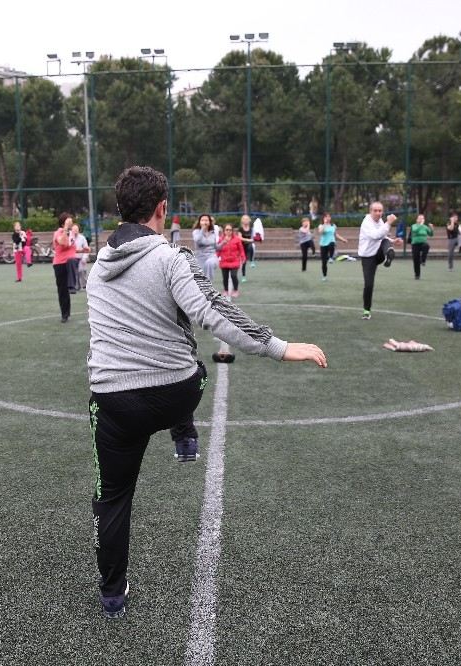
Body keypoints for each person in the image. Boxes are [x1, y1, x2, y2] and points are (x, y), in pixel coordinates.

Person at [86, 165, 327, 619]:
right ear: (162, 209)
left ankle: (112, 593)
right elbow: (212, 311)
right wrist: (280, 347)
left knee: (112, 495)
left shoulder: (96, 268)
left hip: (113, 401)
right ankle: (185, 435)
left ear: (120, 212)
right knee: (195, 366)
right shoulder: (172, 258)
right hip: (174, 393)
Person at [357, 202, 400, 320]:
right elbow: (376, 235)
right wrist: (389, 223)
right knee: (369, 284)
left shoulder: (380, 221)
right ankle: (366, 310)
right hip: (368, 257)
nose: (378, 213)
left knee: (386, 242)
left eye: (380, 211)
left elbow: (383, 236)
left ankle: (388, 255)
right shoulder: (366, 222)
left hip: (379, 254)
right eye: (375, 210)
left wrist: (393, 241)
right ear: (370, 211)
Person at [52, 212, 77, 322]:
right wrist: (65, 229)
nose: (71, 222)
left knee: (67, 289)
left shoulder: (71, 233)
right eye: (68, 221)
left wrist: (84, 250)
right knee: (62, 290)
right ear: (63, 222)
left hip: (70, 262)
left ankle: (72, 286)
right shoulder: (59, 232)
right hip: (60, 264)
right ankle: (64, 314)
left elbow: (71, 248)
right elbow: (62, 242)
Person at [216, 223, 246, 297]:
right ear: (224, 231)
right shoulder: (220, 239)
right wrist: (216, 257)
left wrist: (243, 257)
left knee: (234, 275)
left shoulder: (237, 239)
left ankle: (235, 290)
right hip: (224, 261)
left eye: (230, 230)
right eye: (227, 230)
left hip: (234, 261)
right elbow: (218, 250)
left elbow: (241, 250)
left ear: (232, 231)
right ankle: (226, 290)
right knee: (225, 277)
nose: (228, 231)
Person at [317, 212, 347, 281]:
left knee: (332, 243)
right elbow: (321, 232)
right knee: (324, 262)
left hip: (331, 242)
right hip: (323, 244)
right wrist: (324, 224)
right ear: (323, 218)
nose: (328, 218)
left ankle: (331, 257)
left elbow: (336, 235)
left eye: (329, 217)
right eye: (326, 217)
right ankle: (324, 276)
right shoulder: (321, 225)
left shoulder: (333, 225)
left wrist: (343, 240)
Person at [191, 214, 218, 283]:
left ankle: (208, 284)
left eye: (206, 220)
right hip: (200, 257)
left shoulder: (213, 233)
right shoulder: (196, 232)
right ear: (199, 222)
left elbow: (216, 247)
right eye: (202, 220)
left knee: (210, 263)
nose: (204, 222)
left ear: (209, 222)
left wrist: (224, 242)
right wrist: (202, 229)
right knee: (200, 279)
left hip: (212, 256)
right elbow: (197, 240)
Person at [408, 214, 434, 280]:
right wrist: (421, 225)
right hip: (415, 244)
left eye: (422, 218)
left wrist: (431, 228)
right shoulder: (414, 226)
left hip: (423, 243)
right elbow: (415, 231)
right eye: (420, 218)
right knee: (416, 260)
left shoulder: (425, 227)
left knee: (426, 246)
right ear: (417, 220)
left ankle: (423, 260)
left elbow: (431, 234)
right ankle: (417, 275)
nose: (421, 220)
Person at [74, 221, 92, 290]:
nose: (75, 231)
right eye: (74, 229)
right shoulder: (70, 238)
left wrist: (84, 258)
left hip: (81, 258)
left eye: (76, 229)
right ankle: (76, 286)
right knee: (75, 272)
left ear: (78, 230)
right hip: (73, 258)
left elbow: (86, 249)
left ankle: (84, 284)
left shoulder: (82, 238)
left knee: (82, 270)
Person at [238, 215, 255, 281]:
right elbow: (240, 238)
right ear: (242, 220)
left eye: (247, 219)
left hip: (249, 245)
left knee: (251, 246)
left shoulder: (251, 229)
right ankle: (243, 276)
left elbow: (253, 237)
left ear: (249, 220)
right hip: (242, 247)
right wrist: (248, 240)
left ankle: (251, 261)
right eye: (244, 219)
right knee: (243, 262)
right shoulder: (241, 228)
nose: (246, 220)